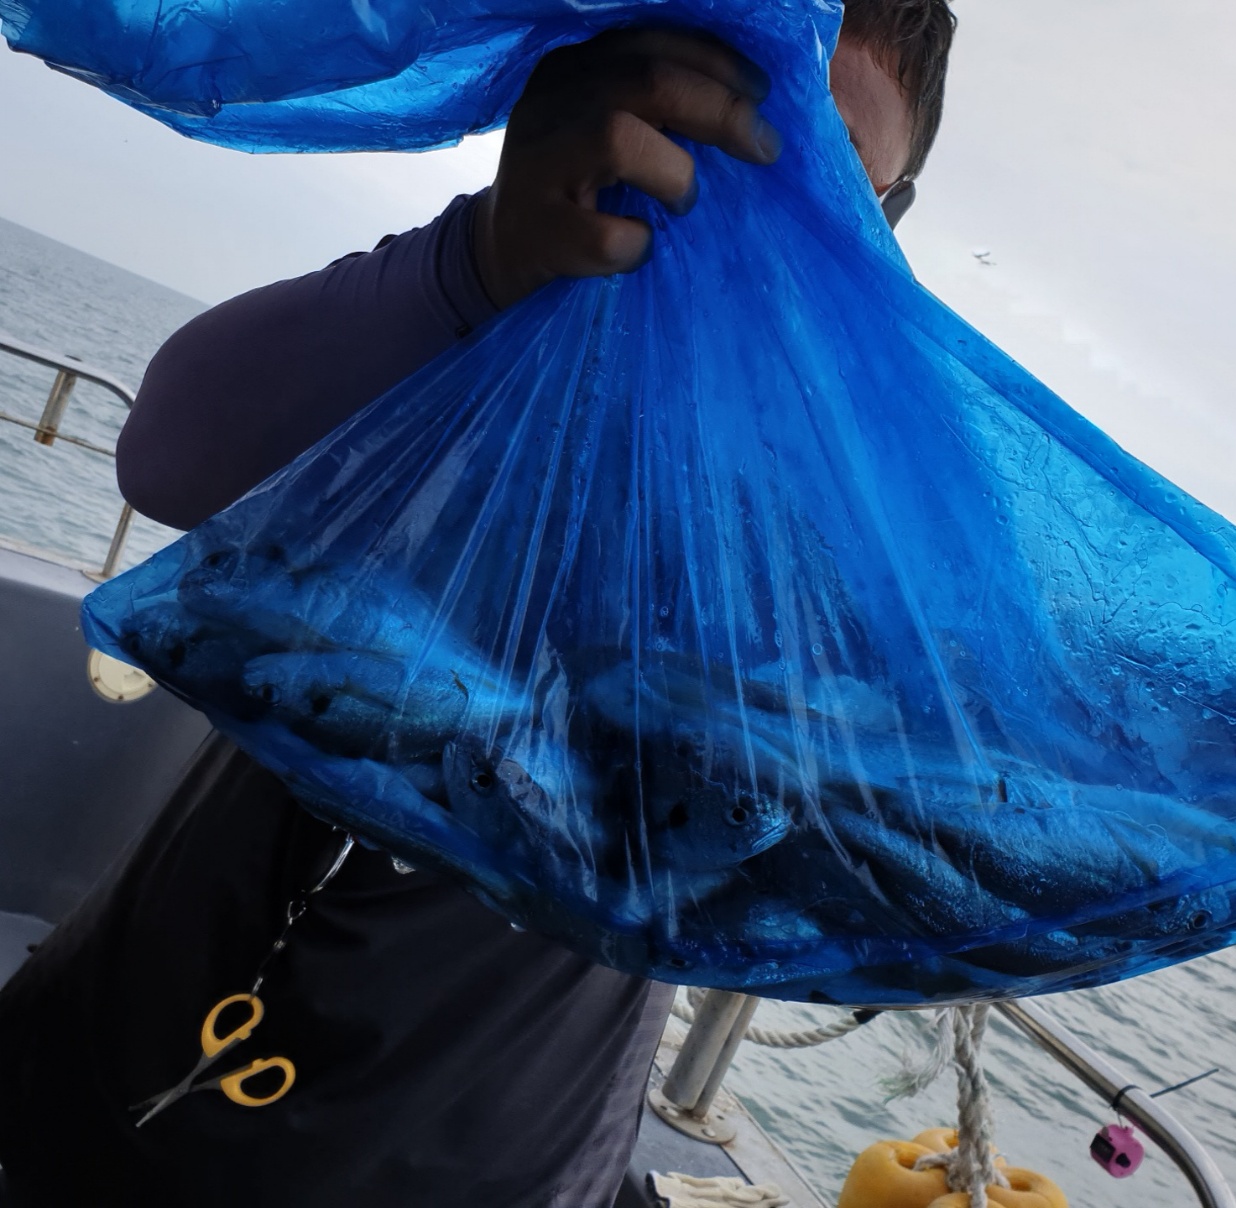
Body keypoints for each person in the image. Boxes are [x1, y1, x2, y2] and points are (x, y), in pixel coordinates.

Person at [0, 5, 956, 1206]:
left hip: (502, 1156)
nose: (757, 193)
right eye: (718, 121)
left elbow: (878, 837)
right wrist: (485, 257)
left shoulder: (847, 514)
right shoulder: (486, 311)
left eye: (824, 174)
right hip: (120, 1046)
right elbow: (168, 456)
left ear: (885, 223)